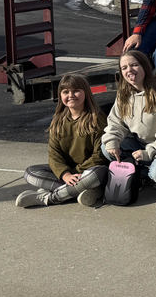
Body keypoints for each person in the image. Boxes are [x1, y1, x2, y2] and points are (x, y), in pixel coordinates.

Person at [15, 74, 109, 208]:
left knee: (95, 175)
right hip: (69, 173)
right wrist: (65, 175)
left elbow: (100, 155)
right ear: (60, 95)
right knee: (30, 173)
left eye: (76, 91)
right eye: (66, 92)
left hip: (89, 171)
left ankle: (48, 198)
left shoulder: (96, 118)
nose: (71, 95)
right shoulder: (58, 120)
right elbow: (54, 154)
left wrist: (75, 172)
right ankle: (86, 191)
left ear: (86, 93)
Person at [101, 50, 156, 187]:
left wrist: (148, 152)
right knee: (106, 147)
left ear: (145, 67)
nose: (129, 70)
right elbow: (116, 123)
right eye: (124, 67)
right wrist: (112, 141)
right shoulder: (124, 95)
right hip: (140, 144)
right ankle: (141, 173)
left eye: (134, 65)